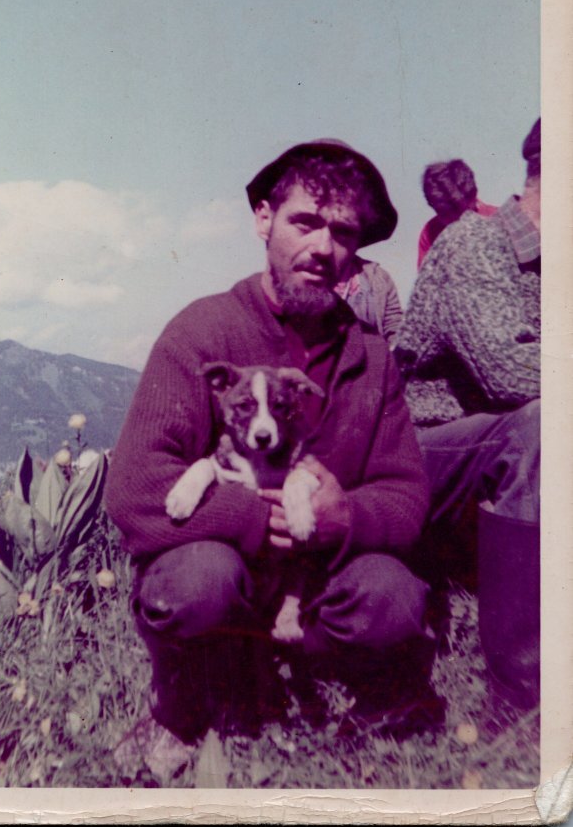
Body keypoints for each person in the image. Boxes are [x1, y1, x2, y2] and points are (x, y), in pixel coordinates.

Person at [105, 139, 441, 777]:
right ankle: (191, 692)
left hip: (310, 582)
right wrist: (255, 518)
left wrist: (351, 517)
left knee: (394, 596)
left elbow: (406, 495)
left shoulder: (369, 357)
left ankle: (314, 673)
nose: (323, 247)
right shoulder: (202, 332)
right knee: (195, 581)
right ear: (263, 218)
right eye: (305, 222)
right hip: (224, 570)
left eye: (344, 232)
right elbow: (134, 490)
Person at [394, 119, 541, 709]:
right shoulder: (473, 242)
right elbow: (508, 374)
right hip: (425, 452)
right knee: (542, 424)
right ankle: (524, 690)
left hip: (496, 455)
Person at [417, 158, 497, 268]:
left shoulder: (500, 220)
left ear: (473, 196)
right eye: (448, 216)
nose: (459, 223)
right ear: (433, 207)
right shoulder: (430, 233)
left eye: (463, 212)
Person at [335, 255, 403, 344]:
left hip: (373, 352)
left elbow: (393, 323)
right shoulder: (313, 275)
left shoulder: (379, 276)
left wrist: (394, 348)